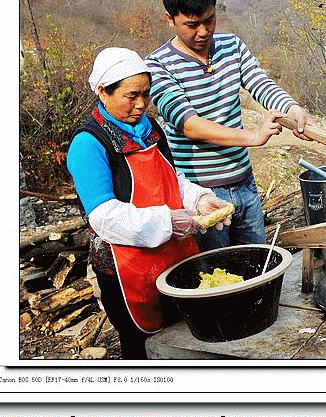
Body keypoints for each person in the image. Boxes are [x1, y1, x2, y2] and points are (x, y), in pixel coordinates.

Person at [67, 47, 231, 359]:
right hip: (129, 271)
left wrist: (199, 199)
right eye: (132, 95)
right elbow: (103, 217)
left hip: (178, 256)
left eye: (146, 93)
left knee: (189, 343)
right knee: (145, 352)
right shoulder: (88, 144)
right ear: (103, 91)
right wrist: (169, 221)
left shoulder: (151, 129)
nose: (141, 104)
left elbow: (172, 178)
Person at [145, 0, 313, 252]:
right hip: (202, 195)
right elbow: (189, 124)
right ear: (170, 20)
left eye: (209, 20)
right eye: (192, 25)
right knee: (217, 276)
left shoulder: (231, 46)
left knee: (257, 264)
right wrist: (253, 136)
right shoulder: (157, 65)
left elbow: (259, 83)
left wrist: (292, 109)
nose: (203, 32)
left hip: (244, 184)